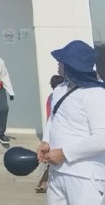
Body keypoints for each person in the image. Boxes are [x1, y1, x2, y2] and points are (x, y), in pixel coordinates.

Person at [36, 40, 105, 204]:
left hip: (85, 175)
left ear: (73, 65)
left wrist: (64, 153)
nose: (58, 64)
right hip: (57, 172)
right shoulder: (60, 89)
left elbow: (101, 138)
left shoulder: (96, 94)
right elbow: (53, 119)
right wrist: (46, 141)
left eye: (62, 61)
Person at [35, 74, 66, 194]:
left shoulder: (51, 97)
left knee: (47, 162)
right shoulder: (57, 97)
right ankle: (42, 183)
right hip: (54, 133)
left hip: (51, 133)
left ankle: (42, 183)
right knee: (48, 162)